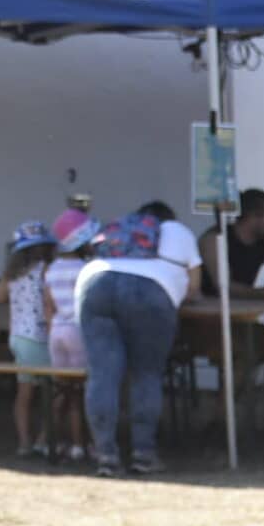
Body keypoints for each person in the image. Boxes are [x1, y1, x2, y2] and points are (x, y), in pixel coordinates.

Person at [74, 198, 202, 477]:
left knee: (102, 375)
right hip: (152, 291)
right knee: (146, 374)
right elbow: (194, 285)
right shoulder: (178, 230)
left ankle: (106, 456)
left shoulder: (119, 229)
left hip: (95, 283)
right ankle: (143, 454)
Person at [200, 187, 264, 441]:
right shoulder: (215, 239)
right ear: (254, 216)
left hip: (242, 321)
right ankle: (219, 425)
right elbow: (223, 287)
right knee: (241, 356)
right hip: (205, 323)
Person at [0, 220, 57, 459]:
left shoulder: (11, 274)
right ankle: (43, 440)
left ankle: (24, 442)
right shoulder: (47, 270)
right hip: (39, 336)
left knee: (24, 393)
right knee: (55, 391)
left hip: (18, 336)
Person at [44, 210, 95, 465]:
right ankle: (81, 445)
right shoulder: (87, 269)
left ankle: (52, 442)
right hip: (78, 331)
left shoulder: (51, 269)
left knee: (60, 390)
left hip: (57, 331)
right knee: (79, 392)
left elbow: (48, 306)